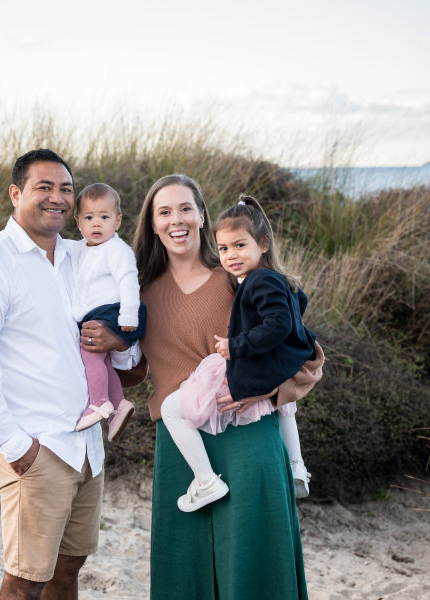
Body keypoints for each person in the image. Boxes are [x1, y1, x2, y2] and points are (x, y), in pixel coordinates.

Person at [88, 174, 308, 599]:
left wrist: (261, 389)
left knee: (255, 564)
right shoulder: (137, 295)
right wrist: (113, 341)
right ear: (152, 224)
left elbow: (305, 353)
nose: (177, 220)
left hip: (248, 436)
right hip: (181, 447)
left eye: (186, 208)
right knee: (184, 569)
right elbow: (128, 372)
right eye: (164, 212)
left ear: (202, 217)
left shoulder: (236, 277)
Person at [0, 149, 138, 600]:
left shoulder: (83, 255)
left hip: (87, 444)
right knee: (25, 580)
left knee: (69, 567)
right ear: (16, 194)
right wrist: (17, 449)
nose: (58, 198)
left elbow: (124, 306)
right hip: (37, 447)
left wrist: (120, 341)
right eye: (45, 187)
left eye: (66, 190)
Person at [160, 195, 324, 512]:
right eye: (223, 249)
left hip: (253, 365)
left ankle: (206, 481)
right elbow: (297, 303)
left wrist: (236, 345)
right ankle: (296, 466)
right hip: (279, 367)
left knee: (172, 409)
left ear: (262, 244)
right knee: (287, 410)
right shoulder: (274, 278)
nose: (231, 255)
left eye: (239, 246)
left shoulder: (260, 279)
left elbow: (278, 324)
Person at [71, 183, 144, 441]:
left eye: (104, 217)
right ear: (78, 222)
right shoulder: (80, 248)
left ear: (118, 221)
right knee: (103, 360)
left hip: (112, 311)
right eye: (89, 218)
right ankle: (119, 404)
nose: (96, 224)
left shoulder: (116, 249)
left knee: (89, 351)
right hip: (94, 313)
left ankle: (100, 402)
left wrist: (128, 316)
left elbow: (128, 280)